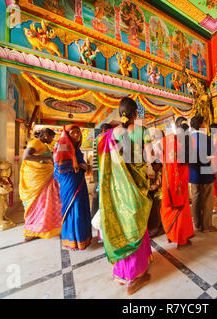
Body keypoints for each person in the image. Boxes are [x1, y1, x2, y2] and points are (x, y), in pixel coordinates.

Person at [99, 97, 154, 295]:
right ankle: (135, 277)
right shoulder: (142, 131)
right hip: (136, 187)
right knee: (136, 225)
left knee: (122, 224)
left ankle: (122, 273)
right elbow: (150, 158)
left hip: (117, 189)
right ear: (136, 114)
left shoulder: (111, 133)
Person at [20, 128, 62, 242]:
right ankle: (31, 231)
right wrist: (47, 157)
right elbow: (26, 157)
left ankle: (45, 228)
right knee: (35, 205)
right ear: (45, 135)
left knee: (45, 204)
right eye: (51, 137)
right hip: (37, 180)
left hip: (46, 177)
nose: (52, 139)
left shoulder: (42, 144)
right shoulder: (34, 142)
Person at [54, 125, 92, 250]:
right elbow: (61, 164)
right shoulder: (63, 144)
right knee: (73, 209)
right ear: (67, 133)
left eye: (78, 132)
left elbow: (81, 163)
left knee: (81, 208)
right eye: (73, 132)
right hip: (70, 182)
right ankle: (72, 240)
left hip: (79, 180)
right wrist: (80, 166)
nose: (76, 135)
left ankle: (82, 238)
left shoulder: (76, 148)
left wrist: (83, 166)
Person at [160, 117, 195, 249]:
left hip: (169, 179)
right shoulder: (189, 140)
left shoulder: (168, 140)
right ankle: (181, 239)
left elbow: (158, 154)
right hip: (183, 175)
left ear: (176, 127)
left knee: (169, 205)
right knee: (182, 206)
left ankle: (170, 235)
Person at [189, 116, 216, 232]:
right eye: (204, 122)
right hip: (205, 171)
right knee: (207, 199)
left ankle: (197, 224)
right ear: (200, 124)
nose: (205, 125)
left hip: (193, 172)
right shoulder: (207, 138)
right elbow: (210, 159)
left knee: (195, 198)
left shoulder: (187, 138)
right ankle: (206, 226)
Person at [147, 160, 164, 238]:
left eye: (153, 167)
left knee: (159, 214)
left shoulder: (160, 172)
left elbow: (157, 185)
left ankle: (160, 229)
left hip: (160, 196)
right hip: (161, 195)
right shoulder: (161, 170)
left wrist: (148, 188)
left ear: (157, 165)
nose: (153, 169)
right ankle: (161, 228)